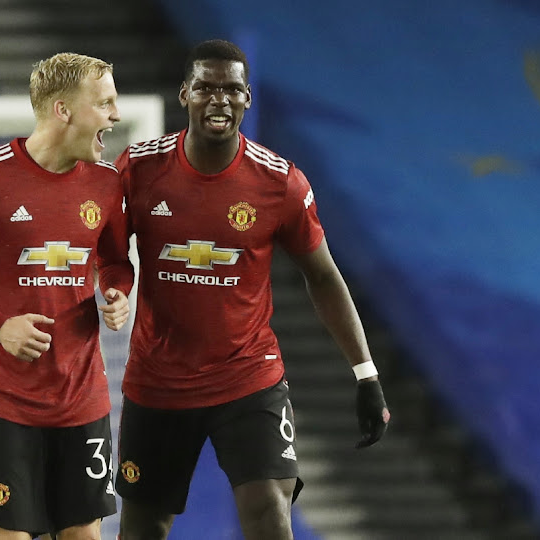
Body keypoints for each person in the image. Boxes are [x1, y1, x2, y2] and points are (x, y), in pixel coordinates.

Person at [113, 39, 390, 540]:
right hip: (159, 381)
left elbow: (323, 276)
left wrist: (365, 373)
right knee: (143, 527)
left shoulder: (280, 183)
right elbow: (101, 246)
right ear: (185, 94)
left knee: (268, 508)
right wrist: (109, 288)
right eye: (206, 87)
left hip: (248, 377)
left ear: (247, 100)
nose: (218, 99)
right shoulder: (138, 168)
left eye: (231, 89)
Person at [0, 52, 134, 540]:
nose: (116, 116)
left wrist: (117, 291)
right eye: (104, 103)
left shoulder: (106, 184)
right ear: (63, 110)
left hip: (83, 397)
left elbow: (116, 260)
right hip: (7, 401)